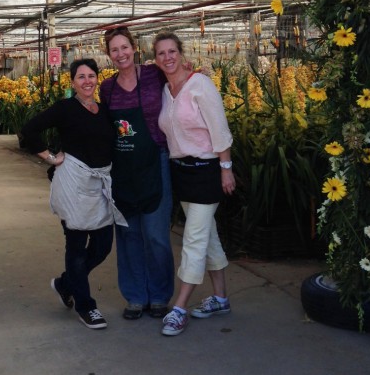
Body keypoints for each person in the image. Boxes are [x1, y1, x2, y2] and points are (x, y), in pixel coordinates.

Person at [20, 58, 127, 330]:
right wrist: (51, 157)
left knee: (102, 246)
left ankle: (65, 284)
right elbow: (29, 130)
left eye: (92, 75)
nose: (87, 81)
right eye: (81, 76)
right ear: (72, 82)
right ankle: (85, 306)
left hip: (99, 185)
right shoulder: (65, 108)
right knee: (77, 248)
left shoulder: (103, 111)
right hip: (73, 184)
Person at [153, 31, 236, 337]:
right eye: (161, 53)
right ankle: (221, 298)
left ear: (181, 53)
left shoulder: (199, 84)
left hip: (206, 171)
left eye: (172, 51)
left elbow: (220, 128)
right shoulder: (165, 90)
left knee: (193, 238)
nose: (167, 58)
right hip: (182, 173)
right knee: (207, 236)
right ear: (155, 58)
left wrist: (225, 169)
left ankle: (179, 307)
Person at [99, 27, 175, 320]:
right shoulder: (107, 88)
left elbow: (180, 77)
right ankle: (134, 295)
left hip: (155, 161)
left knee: (156, 234)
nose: (121, 54)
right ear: (109, 55)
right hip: (123, 167)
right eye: (114, 50)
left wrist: (197, 73)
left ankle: (158, 295)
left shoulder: (154, 74)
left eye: (124, 47)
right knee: (128, 234)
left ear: (134, 48)